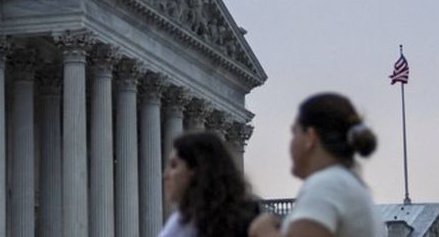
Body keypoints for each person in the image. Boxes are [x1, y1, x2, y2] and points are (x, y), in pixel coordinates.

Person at [248, 92, 380, 237]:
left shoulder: (327, 185)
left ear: (310, 137)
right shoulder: (347, 185)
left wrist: (264, 232)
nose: (291, 142)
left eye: (294, 132)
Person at [160, 131, 259, 237]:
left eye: (174, 165)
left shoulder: (248, 223)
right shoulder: (178, 222)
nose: (165, 175)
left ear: (196, 170)